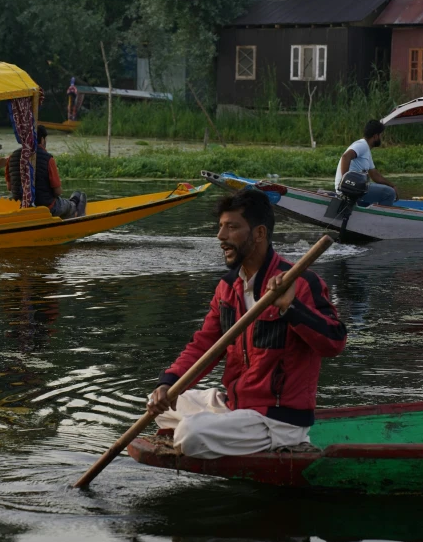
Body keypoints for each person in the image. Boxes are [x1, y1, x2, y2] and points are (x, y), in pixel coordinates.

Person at [146, 189, 347, 459]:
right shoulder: (228, 287)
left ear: (259, 233)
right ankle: (223, 432)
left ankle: (248, 440)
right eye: (220, 227)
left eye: (232, 228)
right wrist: (168, 383)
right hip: (236, 406)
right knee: (159, 404)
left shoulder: (300, 282)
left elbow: (334, 342)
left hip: (278, 420)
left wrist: (291, 307)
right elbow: (204, 346)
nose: (221, 237)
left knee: (190, 434)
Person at [5, 125, 86, 218]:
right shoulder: (48, 159)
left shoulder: (11, 157)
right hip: (46, 208)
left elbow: (9, 187)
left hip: (19, 207)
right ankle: (75, 210)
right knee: (69, 204)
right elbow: (58, 191)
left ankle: (73, 201)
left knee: (68, 200)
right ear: (42, 139)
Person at [335, 120, 398, 207]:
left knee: (387, 191)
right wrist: (345, 182)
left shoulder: (367, 151)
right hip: (349, 188)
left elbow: (374, 175)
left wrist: (392, 185)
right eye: (381, 136)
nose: (381, 139)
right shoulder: (362, 145)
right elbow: (345, 157)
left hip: (356, 188)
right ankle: (382, 219)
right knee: (389, 193)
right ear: (376, 136)